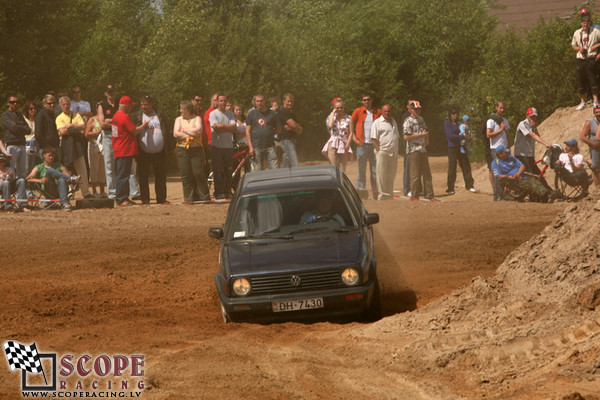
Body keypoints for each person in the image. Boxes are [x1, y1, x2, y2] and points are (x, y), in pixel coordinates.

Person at [130, 95, 172, 205]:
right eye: (142, 104)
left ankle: (161, 199)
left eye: (146, 104)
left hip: (160, 151)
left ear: (151, 104)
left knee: (161, 176)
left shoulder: (160, 115)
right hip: (143, 152)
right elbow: (132, 131)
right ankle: (145, 199)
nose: (143, 107)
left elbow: (168, 130)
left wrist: (170, 147)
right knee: (143, 177)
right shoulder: (136, 116)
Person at [111, 96, 149, 207]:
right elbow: (134, 131)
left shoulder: (115, 116)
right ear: (126, 106)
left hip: (119, 148)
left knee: (124, 175)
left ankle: (124, 197)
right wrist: (144, 125)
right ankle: (121, 198)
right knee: (123, 175)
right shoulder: (124, 117)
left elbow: (114, 134)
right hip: (125, 149)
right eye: (130, 106)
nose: (131, 108)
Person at [492, 145, 559, 203]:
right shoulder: (495, 163)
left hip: (520, 176)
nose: (507, 153)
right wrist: (510, 177)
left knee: (534, 179)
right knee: (530, 183)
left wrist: (518, 173)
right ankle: (547, 194)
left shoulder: (511, 158)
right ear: (500, 154)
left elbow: (522, 166)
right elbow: (499, 176)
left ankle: (546, 195)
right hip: (511, 180)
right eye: (505, 152)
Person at [56, 96, 92, 199]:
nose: (66, 106)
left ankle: (86, 192)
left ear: (70, 104)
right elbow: (62, 131)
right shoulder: (59, 118)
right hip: (66, 146)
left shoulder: (76, 115)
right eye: (63, 104)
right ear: (61, 106)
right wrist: (75, 128)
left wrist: (71, 125)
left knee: (82, 169)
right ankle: (70, 192)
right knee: (68, 170)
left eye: (67, 104)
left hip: (77, 145)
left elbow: (83, 126)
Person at [174, 100, 210, 202]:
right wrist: (191, 134)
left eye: (182, 109)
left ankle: (204, 196)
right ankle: (188, 198)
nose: (180, 111)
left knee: (198, 173)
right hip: (182, 149)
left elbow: (199, 131)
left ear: (188, 109)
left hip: (196, 149)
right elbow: (175, 133)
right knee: (185, 174)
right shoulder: (178, 119)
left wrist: (184, 131)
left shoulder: (197, 118)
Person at [2, 95, 33, 211]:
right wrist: (20, 128)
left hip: (21, 145)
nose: (15, 104)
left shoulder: (19, 115)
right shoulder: (5, 115)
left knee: (22, 175)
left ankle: (22, 203)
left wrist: (18, 127)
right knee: (10, 174)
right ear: (8, 103)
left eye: (17, 102)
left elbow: (28, 129)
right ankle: (8, 203)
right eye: (12, 102)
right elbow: (13, 129)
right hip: (11, 145)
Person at [26, 146, 79, 212]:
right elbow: (28, 179)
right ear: (44, 155)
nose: (51, 158)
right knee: (50, 170)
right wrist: (39, 180)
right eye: (49, 155)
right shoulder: (39, 167)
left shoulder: (59, 165)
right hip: (48, 189)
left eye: (53, 156)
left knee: (62, 180)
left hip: (60, 189)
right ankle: (71, 179)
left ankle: (64, 204)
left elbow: (67, 175)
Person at [514, 107, 552, 191]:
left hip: (529, 154)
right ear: (527, 115)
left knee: (537, 174)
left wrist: (535, 127)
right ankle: (539, 193)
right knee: (530, 174)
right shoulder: (522, 124)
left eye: (534, 117)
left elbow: (537, 135)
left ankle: (549, 191)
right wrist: (545, 144)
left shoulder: (531, 125)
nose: (533, 118)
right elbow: (533, 136)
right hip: (521, 154)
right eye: (531, 117)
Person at [403, 100, 434, 201]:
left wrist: (426, 140)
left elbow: (426, 131)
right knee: (415, 174)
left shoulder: (421, 119)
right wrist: (421, 135)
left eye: (419, 109)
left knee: (427, 173)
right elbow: (406, 137)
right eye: (415, 109)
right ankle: (414, 195)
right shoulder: (408, 121)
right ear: (411, 109)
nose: (417, 111)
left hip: (422, 149)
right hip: (413, 150)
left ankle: (429, 195)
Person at [352, 92, 381, 199]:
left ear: (372, 100)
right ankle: (361, 195)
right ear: (362, 101)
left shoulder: (377, 112)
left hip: (374, 145)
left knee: (374, 171)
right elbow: (350, 124)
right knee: (361, 171)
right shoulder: (358, 111)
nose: (366, 102)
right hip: (362, 145)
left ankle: (376, 194)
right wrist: (354, 138)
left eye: (368, 99)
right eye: (364, 100)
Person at [209, 94, 236, 200]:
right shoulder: (213, 114)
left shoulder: (230, 114)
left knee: (228, 170)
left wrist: (222, 127)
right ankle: (218, 192)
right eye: (221, 101)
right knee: (218, 170)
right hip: (217, 146)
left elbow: (234, 128)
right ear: (217, 102)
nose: (223, 103)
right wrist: (227, 128)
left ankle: (227, 191)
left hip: (229, 146)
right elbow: (215, 128)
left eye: (224, 101)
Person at [572, 9, 600, 110]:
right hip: (581, 59)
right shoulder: (577, 32)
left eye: (587, 22)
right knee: (581, 80)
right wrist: (579, 49)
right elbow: (573, 45)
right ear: (581, 22)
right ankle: (583, 102)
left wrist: (596, 48)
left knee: (593, 79)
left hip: (592, 58)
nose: (585, 24)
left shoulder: (596, 29)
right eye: (583, 22)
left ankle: (596, 101)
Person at [444, 107, 475, 195]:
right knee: (452, 167)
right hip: (452, 147)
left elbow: (464, 131)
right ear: (450, 115)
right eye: (453, 113)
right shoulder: (447, 123)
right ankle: (450, 188)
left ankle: (469, 185)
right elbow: (450, 136)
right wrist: (462, 137)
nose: (455, 115)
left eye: (456, 113)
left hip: (461, 147)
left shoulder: (459, 123)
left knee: (466, 166)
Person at [371, 104, 399, 200]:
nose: (387, 113)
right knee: (381, 175)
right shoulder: (377, 122)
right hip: (383, 152)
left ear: (391, 111)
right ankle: (382, 196)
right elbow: (373, 139)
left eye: (389, 111)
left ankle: (389, 195)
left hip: (393, 153)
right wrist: (379, 151)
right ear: (382, 112)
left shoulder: (394, 121)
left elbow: (396, 137)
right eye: (385, 111)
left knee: (391, 175)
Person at [246, 94, 280, 171]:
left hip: (270, 146)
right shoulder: (251, 114)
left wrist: (269, 133)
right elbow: (247, 131)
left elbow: (278, 129)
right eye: (257, 101)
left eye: (261, 101)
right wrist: (250, 147)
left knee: (275, 169)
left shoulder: (272, 113)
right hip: (256, 146)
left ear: (265, 101)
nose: (259, 103)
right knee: (258, 170)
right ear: (255, 102)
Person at [486, 101, 510, 201]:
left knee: (506, 170)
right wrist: (500, 129)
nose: (502, 110)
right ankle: (497, 195)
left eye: (503, 108)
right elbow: (488, 135)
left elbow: (507, 134)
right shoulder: (491, 121)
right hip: (495, 149)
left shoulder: (505, 120)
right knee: (498, 171)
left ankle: (503, 193)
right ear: (496, 107)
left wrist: (509, 146)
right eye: (500, 108)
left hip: (505, 149)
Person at [322, 99, 353, 172]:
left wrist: (348, 144)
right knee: (332, 167)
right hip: (333, 142)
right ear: (334, 108)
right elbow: (330, 125)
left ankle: (341, 182)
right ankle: (333, 183)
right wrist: (333, 113)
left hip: (344, 142)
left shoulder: (349, 118)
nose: (339, 109)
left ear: (344, 107)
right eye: (337, 108)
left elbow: (351, 132)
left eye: (341, 107)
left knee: (342, 168)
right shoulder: (332, 117)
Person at [84, 112, 106, 198]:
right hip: (94, 145)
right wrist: (97, 132)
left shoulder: (105, 119)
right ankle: (94, 191)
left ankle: (102, 191)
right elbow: (86, 134)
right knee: (94, 168)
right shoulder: (92, 120)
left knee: (102, 168)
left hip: (103, 145)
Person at [277, 93, 303, 168]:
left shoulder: (292, 114)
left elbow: (300, 130)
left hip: (292, 141)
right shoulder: (282, 112)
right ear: (284, 101)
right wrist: (295, 128)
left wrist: (293, 128)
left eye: (292, 101)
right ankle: (297, 178)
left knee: (287, 163)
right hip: (286, 141)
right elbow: (294, 125)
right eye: (288, 101)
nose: (290, 103)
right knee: (294, 163)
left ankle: (285, 178)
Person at [579, 103, 600, 188]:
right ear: (594, 113)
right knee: (596, 169)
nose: (599, 114)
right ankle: (597, 189)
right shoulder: (590, 122)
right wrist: (594, 145)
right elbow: (582, 137)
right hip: (595, 149)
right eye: (597, 112)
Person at [35, 94, 60, 160]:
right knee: (46, 169)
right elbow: (38, 134)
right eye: (49, 103)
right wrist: (46, 147)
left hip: (54, 147)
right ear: (44, 104)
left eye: (54, 103)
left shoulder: (52, 114)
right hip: (46, 149)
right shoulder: (41, 115)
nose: (52, 105)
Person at [22, 100, 40, 182]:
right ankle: (24, 188)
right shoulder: (23, 119)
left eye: (34, 108)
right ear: (27, 109)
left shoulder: (38, 120)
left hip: (35, 146)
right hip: (26, 146)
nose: (33, 110)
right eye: (31, 108)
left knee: (33, 169)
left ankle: (31, 189)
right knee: (25, 168)